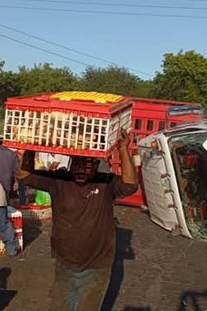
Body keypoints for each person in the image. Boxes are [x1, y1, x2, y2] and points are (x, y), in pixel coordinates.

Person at [17, 131, 138, 311]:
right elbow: (24, 176)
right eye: (77, 164)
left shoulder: (106, 182)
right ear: (70, 164)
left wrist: (122, 149)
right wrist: (31, 147)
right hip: (65, 260)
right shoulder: (58, 180)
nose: (81, 169)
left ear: (96, 165)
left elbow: (130, 184)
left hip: (97, 262)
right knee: (60, 306)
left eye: (88, 165)